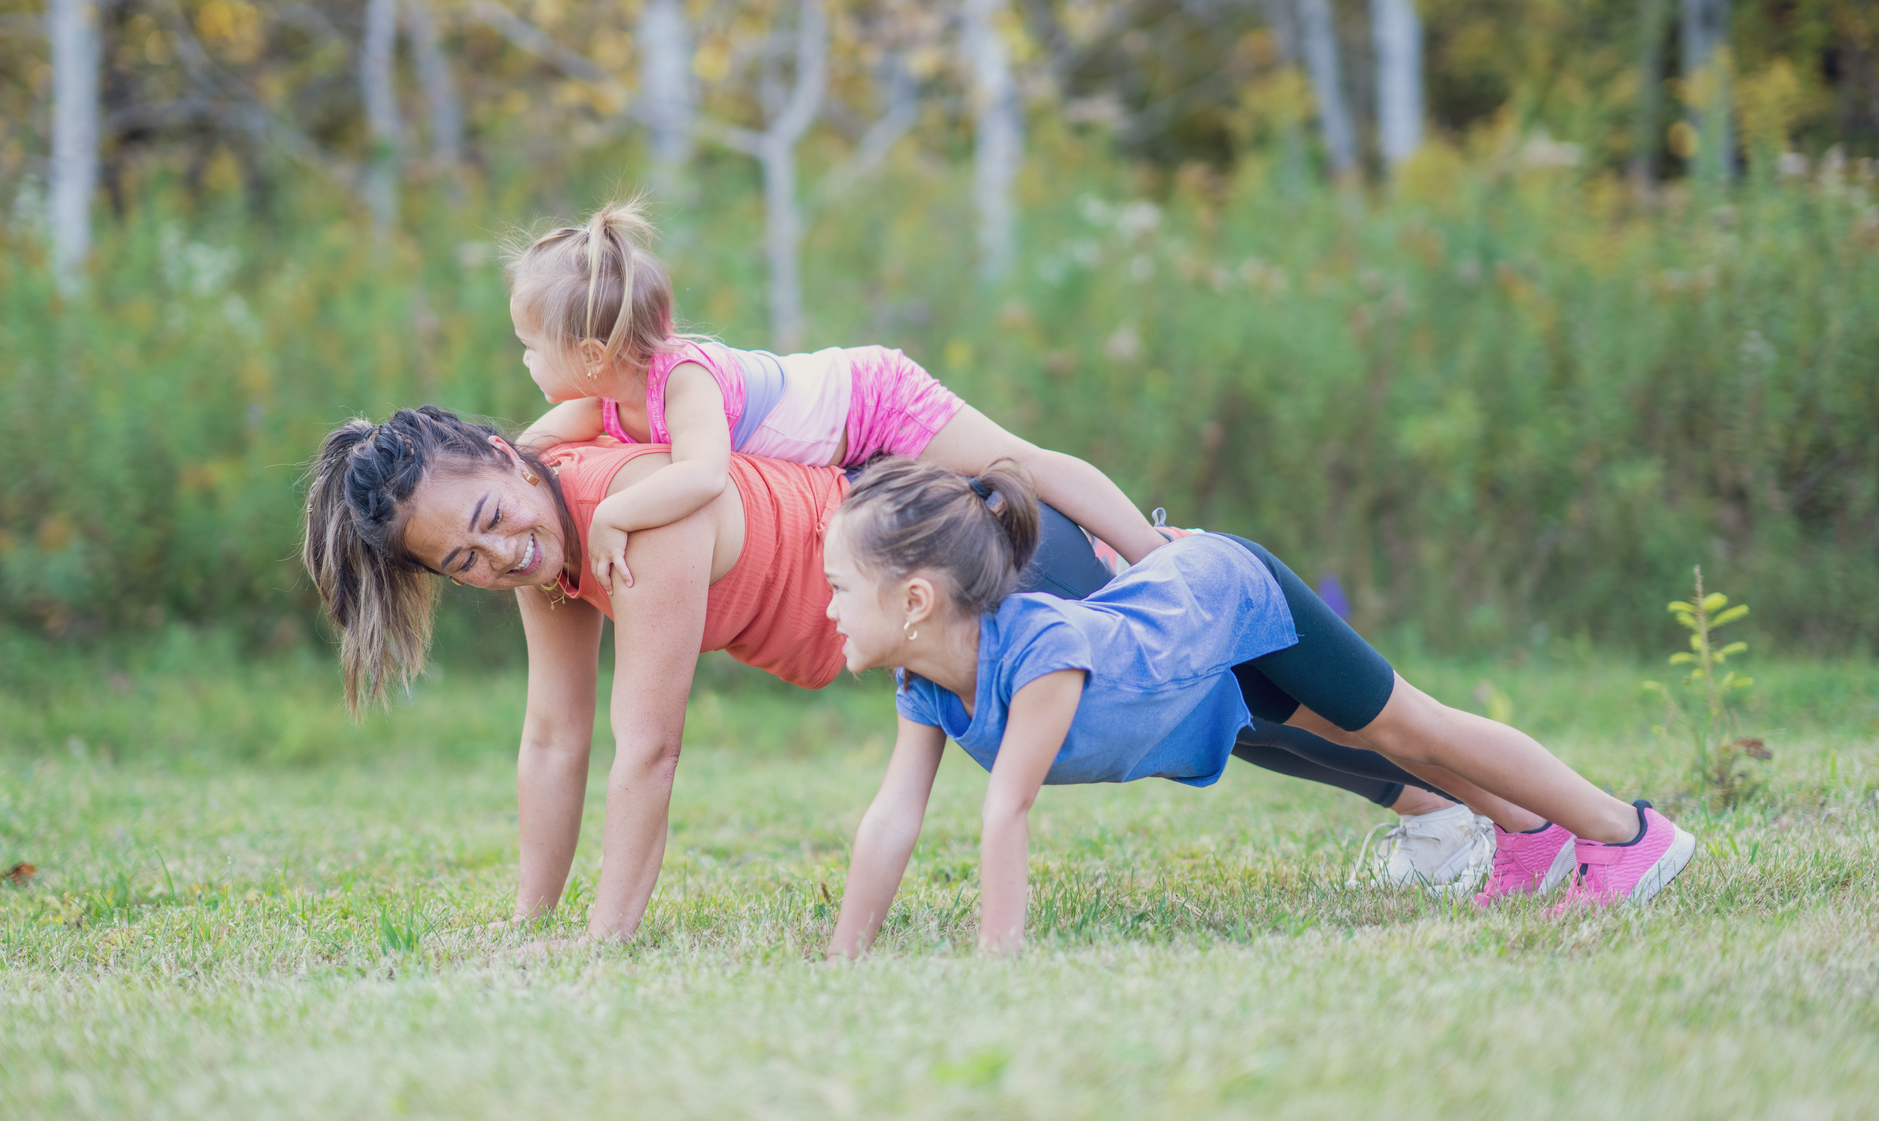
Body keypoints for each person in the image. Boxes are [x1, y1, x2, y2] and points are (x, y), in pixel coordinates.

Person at [301, 407, 1469, 943]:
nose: (503, 554)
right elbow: (554, 741)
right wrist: (531, 926)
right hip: (907, 606)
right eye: (465, 560)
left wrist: (606, 946)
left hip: (948, 563)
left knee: (1235, 696)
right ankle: (1443, 805)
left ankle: (1448, 802)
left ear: (510, 455)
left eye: (494, 518)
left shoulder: (629, 520)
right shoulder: (552, 548)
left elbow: (645, 744)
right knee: (1230, 707)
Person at [820, 457, 1698, 959]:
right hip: (1201, 670)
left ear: (916, 602)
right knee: (1371, 739)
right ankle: (1528, 835)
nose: (824, 607)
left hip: (1230, 599)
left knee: (1408, 726)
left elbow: (1006, 811)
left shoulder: (1040, 654)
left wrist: (995, 968)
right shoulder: (927, 681)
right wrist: (843, 963)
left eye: (838, 588)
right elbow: (892, 816)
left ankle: (1627, 837)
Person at [504, 199, 1172, 590]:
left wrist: (613, 515)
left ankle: (1153, 552)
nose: (526, 360)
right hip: (849, 448)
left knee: (1014, 465)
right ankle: (1106, 555)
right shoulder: (606, 398)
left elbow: (703, 476)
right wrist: (505, 459)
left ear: (591, 357)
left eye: (530, 346)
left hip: (873, 400)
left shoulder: (683, 380)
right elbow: (539, 440)